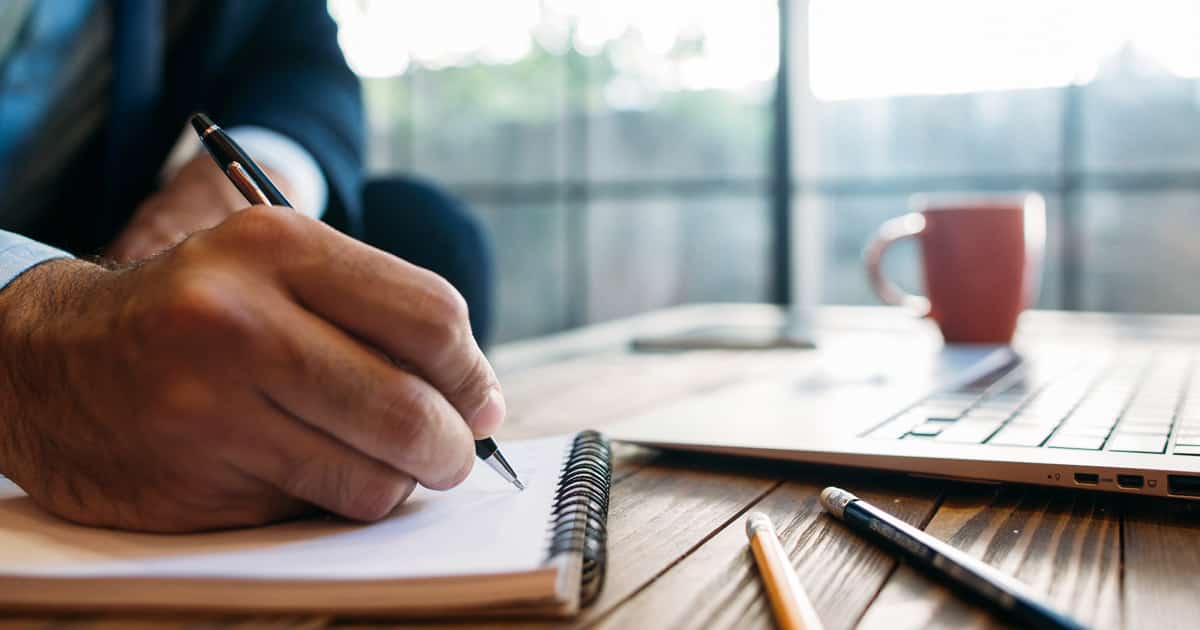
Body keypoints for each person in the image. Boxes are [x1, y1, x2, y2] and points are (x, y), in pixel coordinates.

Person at [0, 0, 505, 533]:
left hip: (107, 237)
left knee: (421, 234)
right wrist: (32, 343)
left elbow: (299, 58)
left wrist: (221, 199)